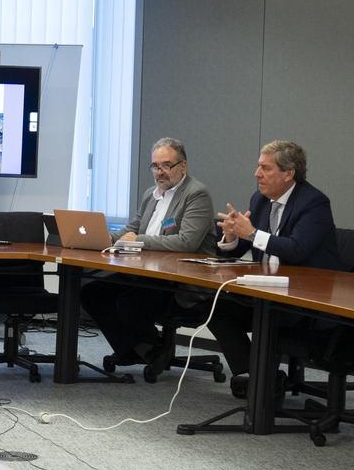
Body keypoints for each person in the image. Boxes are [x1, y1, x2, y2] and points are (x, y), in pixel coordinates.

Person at [212, 140, 343, 397]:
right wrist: (232, 237)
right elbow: (243, 247)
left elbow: (296, 249)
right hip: (267, 292)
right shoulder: (260, 200)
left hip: (305, 299)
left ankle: (263, 384)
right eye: (258, 166)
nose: (256, 173)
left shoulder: (314, 203)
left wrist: (252, 233)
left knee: (268, 319)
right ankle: (258, 376)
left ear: (288, 173)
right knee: (219, 307)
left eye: (265, 168)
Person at [79, 138, 216, 366]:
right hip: (146, 273)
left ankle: (153, 350)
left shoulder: (196, 194)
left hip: (180, 281)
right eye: (155, 166)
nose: (159, 172)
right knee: (92, 292)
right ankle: (136, 349)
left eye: (166, 165)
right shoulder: (151, 194)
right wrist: (104, 237)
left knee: (128, 302)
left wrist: (138, 240)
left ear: (183, 166)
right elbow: (132, 228)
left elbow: (186, 242)